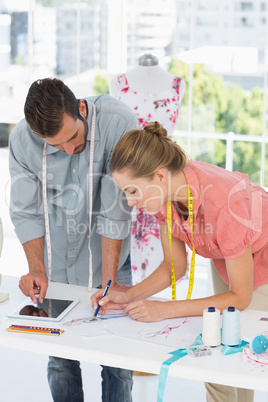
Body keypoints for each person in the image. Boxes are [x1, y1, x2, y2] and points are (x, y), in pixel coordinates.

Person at [92, 121, 268, 402]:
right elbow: (174, 267)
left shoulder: (225, 207)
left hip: (263, 255)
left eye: (133, 191)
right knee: (218, 350)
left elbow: (241, 297)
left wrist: (164, 310)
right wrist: (127, 297)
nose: (128, 202)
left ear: (159, 176)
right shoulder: (163, 197)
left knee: (242, 350)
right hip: (228, 254)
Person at [9, 77, 138, 402]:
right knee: (61, 357)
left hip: (113, 257)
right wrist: (36, 267)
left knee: (118, 362)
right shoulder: (22, 140)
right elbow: (26, 211)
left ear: (81, 108)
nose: (68, 150)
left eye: (73, 138)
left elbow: (116, 210)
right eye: (56, 146)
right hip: (56, 261)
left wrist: (109, 281)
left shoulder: (118, 123)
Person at [110, 53, 187, 285]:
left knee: (170, 256)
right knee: (127, 256)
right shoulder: (119, 84)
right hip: (133, 183)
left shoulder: (177, 85)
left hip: (165, 181)